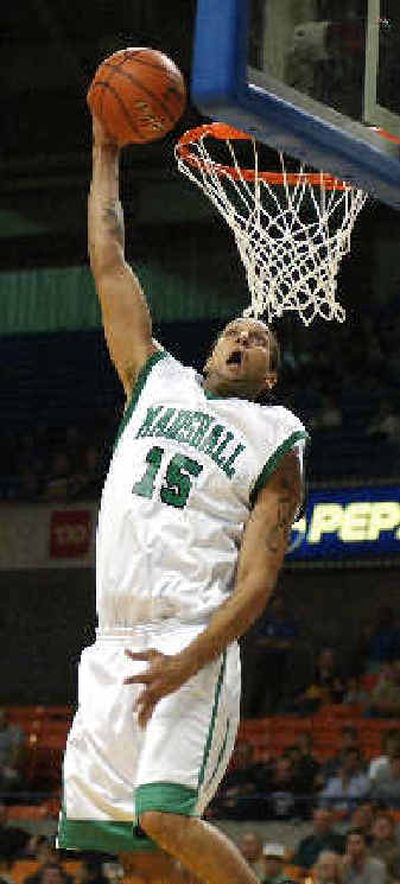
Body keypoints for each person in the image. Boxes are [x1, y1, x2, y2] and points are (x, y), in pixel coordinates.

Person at [57, 114, 307, 884]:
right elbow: (108, 262)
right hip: (112, 642)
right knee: (141, 854)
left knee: (166, 814)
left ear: (268, 375)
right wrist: (103, 146)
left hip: (190, 637)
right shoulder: (153, 379)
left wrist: (191, 657)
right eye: (233, 329)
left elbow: (258, 581)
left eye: (257, 338)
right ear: (211, 348)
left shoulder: (276, 433)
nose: (240, 336)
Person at [320, 749, 369, 816]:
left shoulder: (363, 780)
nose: (350, 763)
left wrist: (346, 781)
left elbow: (357, 798)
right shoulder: (334, 780)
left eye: (353, 760)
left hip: (354, 815)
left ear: (358, 762)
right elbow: (327, 798)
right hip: (333, 815)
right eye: (348, 760)